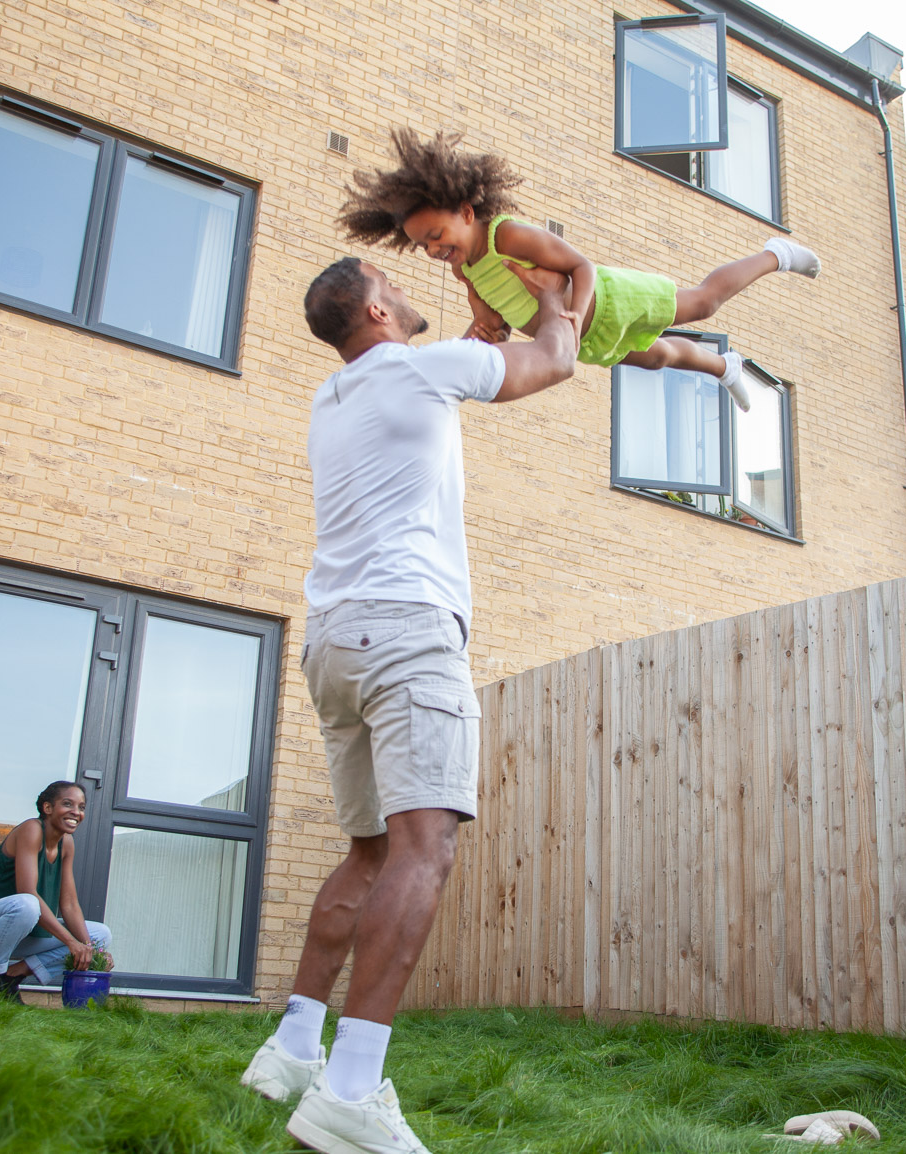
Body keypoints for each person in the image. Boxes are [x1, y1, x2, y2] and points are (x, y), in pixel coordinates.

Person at [239, 255, 580, 1153]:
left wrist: (479, 324)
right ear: (382, 307)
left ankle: (290, 1048)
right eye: (396, 276)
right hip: (406, 630)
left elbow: (455, 376)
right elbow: (556, 362)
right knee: (425, 847)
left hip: (333, 637)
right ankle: (350, 1090)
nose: (406, 282)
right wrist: (552, 299)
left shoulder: (335, 396)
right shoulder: (423, 371)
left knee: (367, 855)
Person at [338, 128, 821, 413]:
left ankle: (774, 255)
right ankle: (725, 367)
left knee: (703, 303)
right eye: (423, 244)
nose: (433, 249)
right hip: (578, 340)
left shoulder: (508, 236)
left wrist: (574, 312)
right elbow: (493, 325)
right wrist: (476, 339)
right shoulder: (466, 272)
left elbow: (580, 266)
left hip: (606, 300)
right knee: (656, 360)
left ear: (466, 211)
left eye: (437, 235)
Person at [0, 780, 113, 1002]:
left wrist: (90, 949)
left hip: (20, 931)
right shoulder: (32, 829)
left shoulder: (67, 843)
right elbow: (27, 891)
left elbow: (70, 904)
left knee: (100, 934)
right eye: (67, 804)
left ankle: (10, 976)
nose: (76, 812)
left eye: (81, 807)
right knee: (27, 903)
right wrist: (72, 943)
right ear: (48, 808)